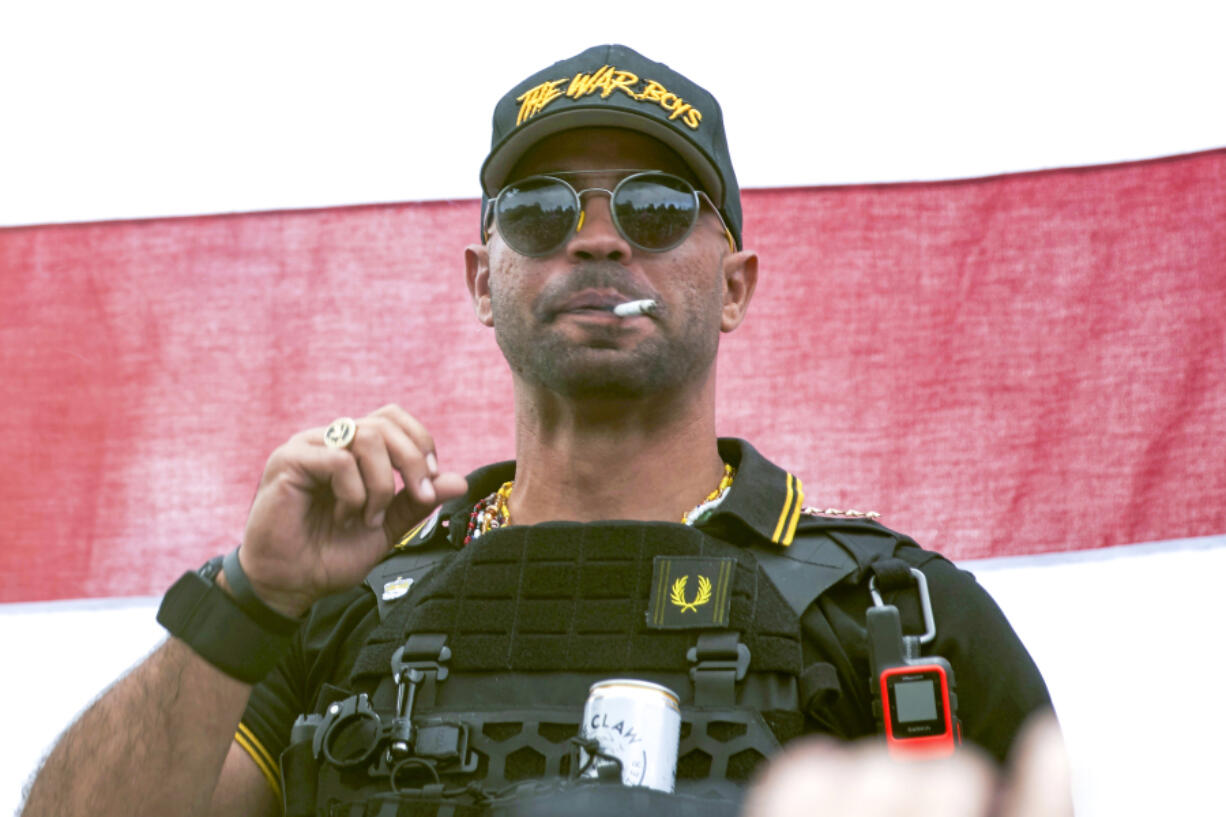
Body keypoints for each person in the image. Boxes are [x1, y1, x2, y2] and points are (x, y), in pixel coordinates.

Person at [20, 44, 1053, 817]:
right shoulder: (334, 614)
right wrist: (251, 598)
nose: (596, 237)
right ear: (483, 278)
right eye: (538, 210)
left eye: (653, 207)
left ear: (734, 286)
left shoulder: (897, 615)